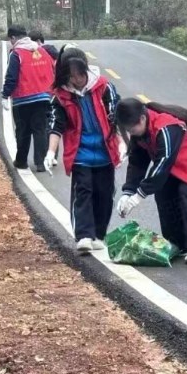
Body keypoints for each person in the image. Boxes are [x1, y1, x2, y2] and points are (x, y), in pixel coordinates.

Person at [114, 98, 187, 264]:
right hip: (180, 158)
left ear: (142, 119)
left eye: (132, 128)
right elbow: (137, 163)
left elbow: (163, 164)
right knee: (163, 192)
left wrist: (138, 196)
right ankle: (177, 244)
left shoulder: (165, 127)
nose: (131, 132)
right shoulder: (140, 132)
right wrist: (128, 192)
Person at [46, 46, 122, 254]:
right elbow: (56, 126)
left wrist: (122, 143)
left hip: (105, 151)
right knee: (83, 192)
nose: (77, 80)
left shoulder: (104, 88)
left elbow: (116, 118)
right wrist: (51, 152)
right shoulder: (61, 96)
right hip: (80, 152)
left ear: (86, 70)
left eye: (80, 74)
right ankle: (84, 235)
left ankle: (99, 234)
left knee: (105, 194)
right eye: (71, 76)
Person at [1, 25, 54, 172]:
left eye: (10, 40)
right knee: (40, 129)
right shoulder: (42, 51)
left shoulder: (16, 54)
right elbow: (52, 70)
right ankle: (41, 163)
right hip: (43, 97)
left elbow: (11, 77)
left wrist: (5, 95)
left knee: (23, 131)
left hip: (23, 98)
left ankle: (21, 161)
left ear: (13, 38)